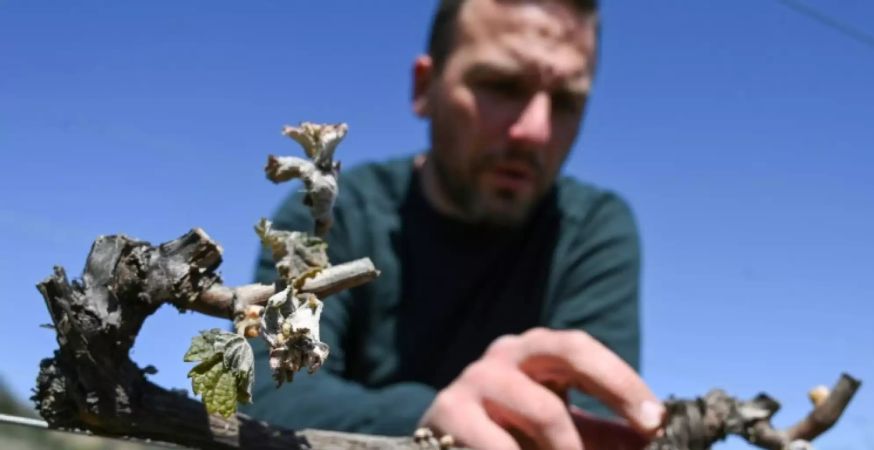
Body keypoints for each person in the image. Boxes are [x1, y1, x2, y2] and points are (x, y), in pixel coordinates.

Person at [245, 0, 665, 448]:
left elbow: (597, 429)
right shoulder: (331, 214)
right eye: (501, 86)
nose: (535, 130)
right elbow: (270, 394)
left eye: (565, 101)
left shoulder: (590, 230)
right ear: (425, 87)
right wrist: (429, 418)